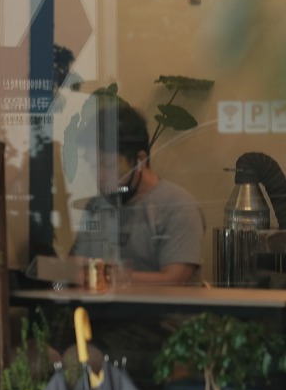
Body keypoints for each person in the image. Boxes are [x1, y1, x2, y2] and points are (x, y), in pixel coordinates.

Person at [70, 100, 204, 285]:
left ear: (140, 160)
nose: (100, 176)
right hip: (103, 304)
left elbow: (173, 280)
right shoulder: (98, 206)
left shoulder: (178, 207)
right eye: (93, 166)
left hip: (161, 305)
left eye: (108, 165)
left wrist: (101, 275)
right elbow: (75, 264)